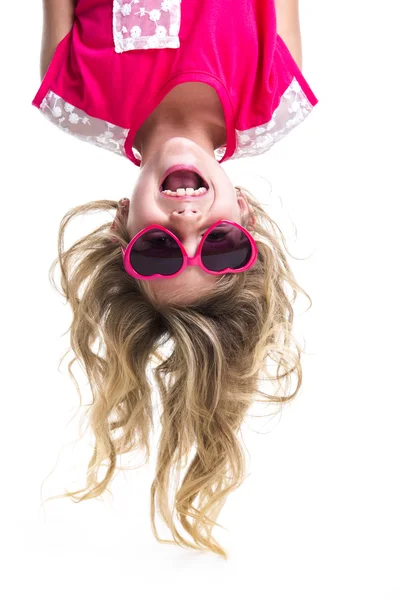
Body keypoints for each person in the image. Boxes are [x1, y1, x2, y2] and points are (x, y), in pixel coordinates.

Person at [36, 0, 318, 559]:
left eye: (160, 251)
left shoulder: (72, 98)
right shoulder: (277, 100)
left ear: (123, 222)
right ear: (245, 214)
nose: (188, 227)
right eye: (221, 245)